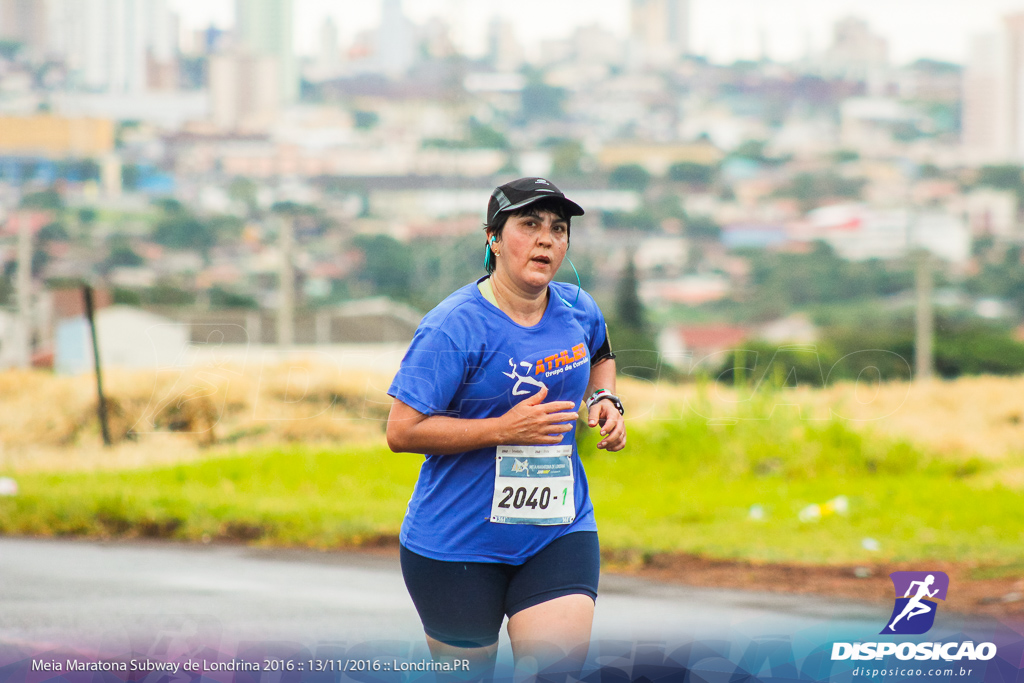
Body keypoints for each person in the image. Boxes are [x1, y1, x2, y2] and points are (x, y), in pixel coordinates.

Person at [386, 177, 627, 678]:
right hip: (457, 542)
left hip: (557, 531)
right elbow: (402, 432)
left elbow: (601, 355)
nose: (546, 239)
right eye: (530, 224)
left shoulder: (577, 308)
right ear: (493, 237)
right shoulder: (452, 327)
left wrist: (605, 399)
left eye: (558, 229)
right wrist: (503, 429)